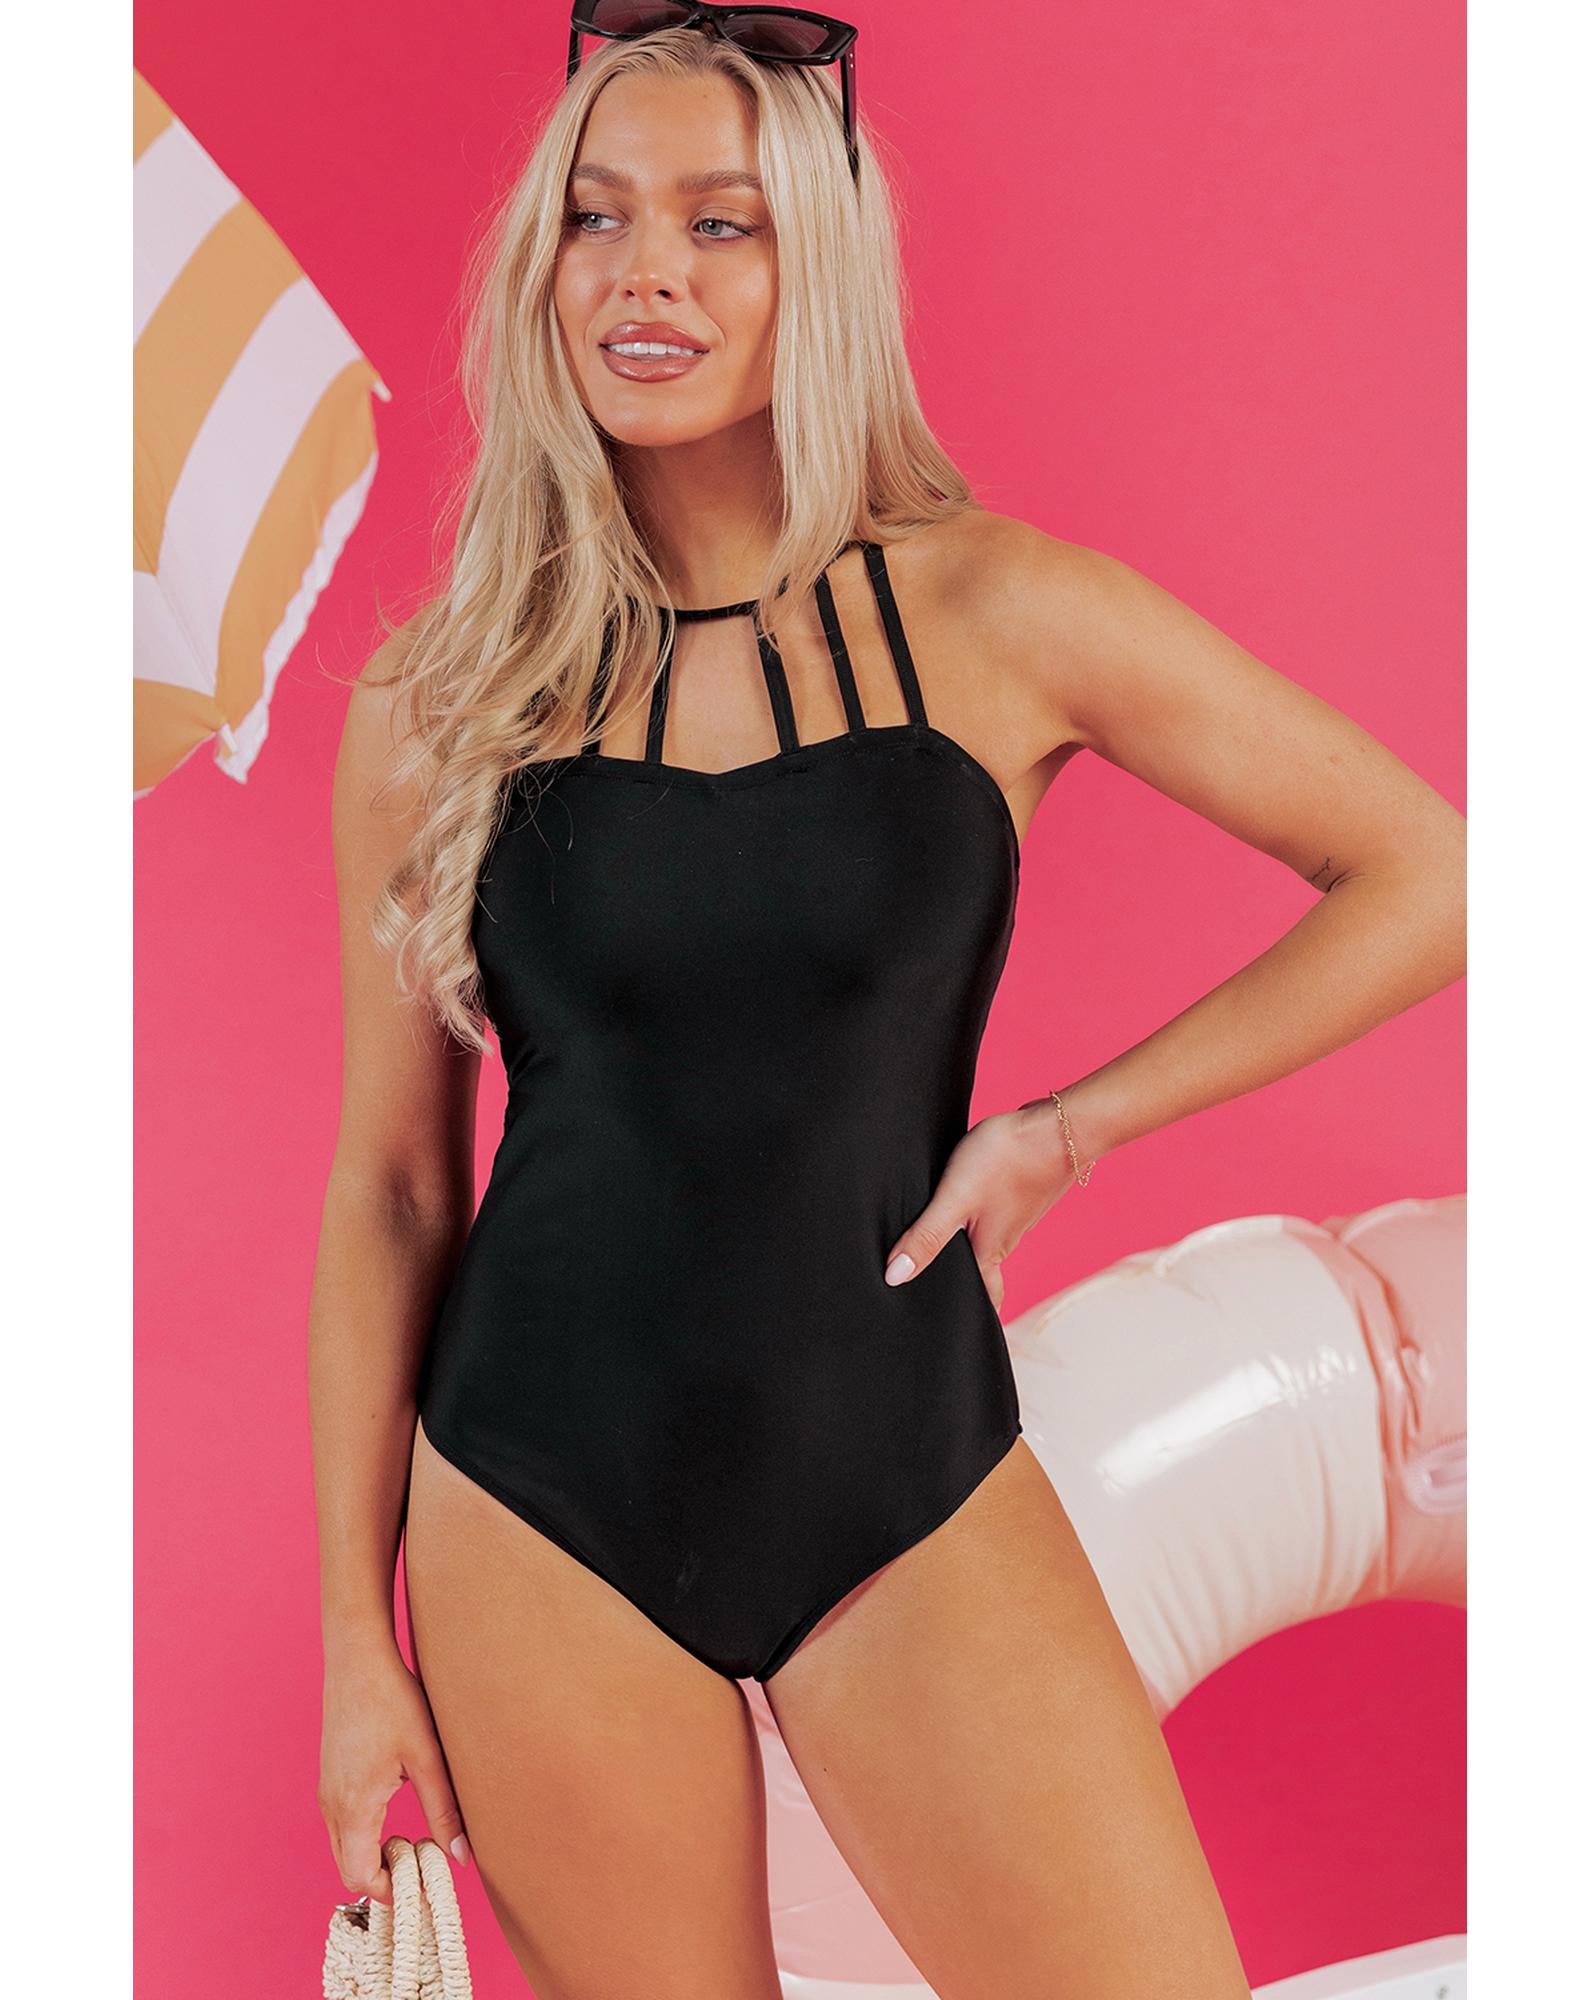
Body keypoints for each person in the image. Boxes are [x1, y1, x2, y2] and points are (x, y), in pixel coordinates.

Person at [309, 17, 1465, 2000]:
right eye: (595, 217)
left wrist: (1071, 1126)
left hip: (899, 1469)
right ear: (539, 265)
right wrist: (356, 1640)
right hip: (532, 1500)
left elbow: (1427, 874)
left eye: (719, 222)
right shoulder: (443, 701)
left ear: (817, 264)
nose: (645, 274)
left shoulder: (994, 611)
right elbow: (397, 1189)